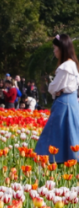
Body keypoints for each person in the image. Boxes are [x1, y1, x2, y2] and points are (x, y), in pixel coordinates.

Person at [35, 34, 79, 162]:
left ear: (61, 48)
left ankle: (49, 159)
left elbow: (53, 87)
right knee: (71, 133)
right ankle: (70, 160)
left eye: (55, 48)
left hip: (63, 103)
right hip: (72, 102)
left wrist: (55, 90)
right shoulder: (74, 65)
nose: (54, 51)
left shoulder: (65, 67)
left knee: (53, 133)